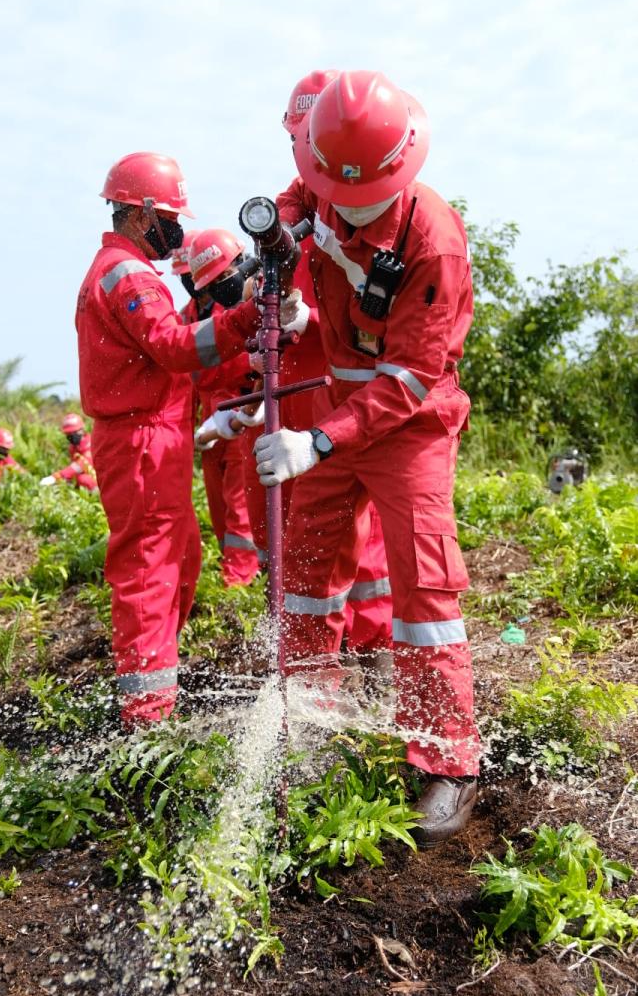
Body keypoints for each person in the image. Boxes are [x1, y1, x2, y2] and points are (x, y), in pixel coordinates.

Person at [255, 71, 478, 846]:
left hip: (405, 419)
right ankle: (313, 719)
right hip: (330, 406)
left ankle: (447, 763)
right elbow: (291, 203)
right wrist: (275, 265)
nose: (338, 207)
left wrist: (318, 440)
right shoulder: (319, 185)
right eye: (323, 187)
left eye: (361, 198)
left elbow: (411, 376)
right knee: (309, 572)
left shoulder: (433, 243)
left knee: (424, 589)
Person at [75, 152, 262, 729]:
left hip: (157, 437)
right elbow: (174, 347)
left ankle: (160, 678)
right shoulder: (126, 274)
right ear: (144, 213)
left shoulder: (125, 271)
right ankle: (147, 715)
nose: (177, 230)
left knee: (181, 557)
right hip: (140, 441)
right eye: (172, 217)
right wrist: (248, 318)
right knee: (151, 569)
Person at [273, 71, 395, 674]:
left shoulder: (369, 193)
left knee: (360, 522)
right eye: (296, 139)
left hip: (350, 373)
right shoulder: (302, 193)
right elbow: (286, 218)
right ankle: (324, 662)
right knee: (317, 526)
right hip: (309, 375)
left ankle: (372, 647)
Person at [186, 228, 260, 587]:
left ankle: (240, 578)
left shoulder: (239, 309)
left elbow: (246, 367)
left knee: (240, 506)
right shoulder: (189, 315)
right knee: (220, 507)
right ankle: (233, 571)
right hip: (211, 421)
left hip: (241, 415)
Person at [39, 413, 98, 492]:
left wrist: (56, 477)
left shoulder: (90, 444)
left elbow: (79, 466)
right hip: (85, 477)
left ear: (81, 430)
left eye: (73, 433)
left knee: (83, 479)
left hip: (99, 477)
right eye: (68, 434)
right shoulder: (73, 447)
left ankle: (98, 496)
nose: (71, 437)